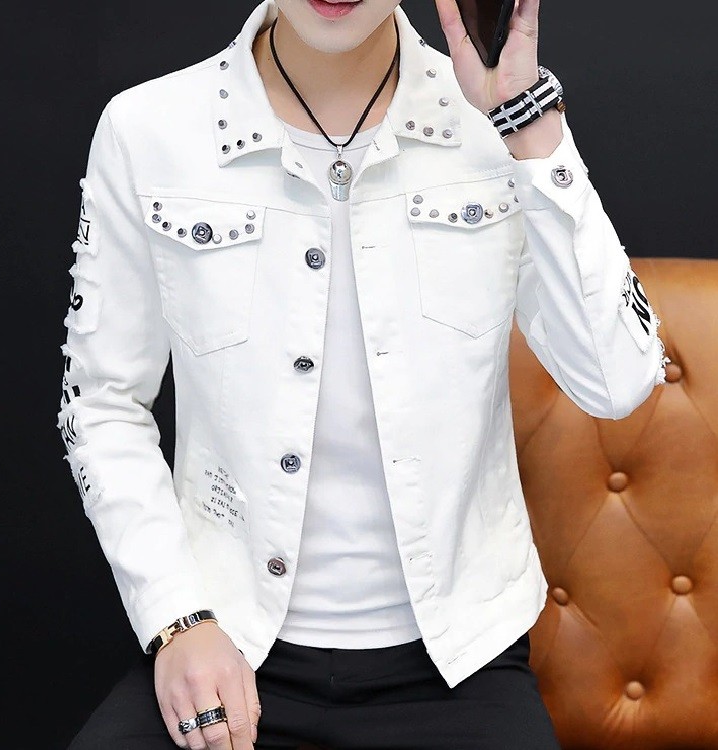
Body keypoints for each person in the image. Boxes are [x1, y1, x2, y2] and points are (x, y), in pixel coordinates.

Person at [58, 0, 668, 747]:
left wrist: (528, 126)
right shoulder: (148, 129)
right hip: (229, 643)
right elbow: (101, 403)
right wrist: (178, 619)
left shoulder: (494, 122)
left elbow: (617, 382)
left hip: (459, 661)